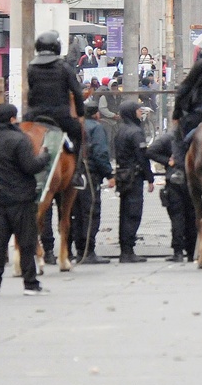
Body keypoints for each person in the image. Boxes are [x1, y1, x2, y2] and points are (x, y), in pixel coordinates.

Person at [0, 104, 51, 295]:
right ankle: (30, 284)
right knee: (27, 242)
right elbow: (30, 167)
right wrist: (45, 156)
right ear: (13, 119)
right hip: (21, 199)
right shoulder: (20, 140)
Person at [25, 31, 86, 187]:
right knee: (79, 134)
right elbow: (77, 93)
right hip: (60, 117)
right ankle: (76, 174)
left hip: (34, 115)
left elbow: (31, 93)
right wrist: (80, 114)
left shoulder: (31, 68)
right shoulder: (64, 68)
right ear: (57, 47)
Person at [71, 105, 114, 264]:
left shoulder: (75, 126)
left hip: (74, 175)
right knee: (91, 212)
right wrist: (109, 174)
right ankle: (88, 251)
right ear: (96, 114)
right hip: (90, 174)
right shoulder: (96, 128)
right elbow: (100, 152)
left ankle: (79, 250)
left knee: (76, 213)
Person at [114, 102, 155, 263]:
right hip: (134, 177)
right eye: (138, 110)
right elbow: (142, 158)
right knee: (133, 212)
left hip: (122, 175)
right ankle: (128, 251)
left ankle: (125, 248)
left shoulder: (120, 131)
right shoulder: (136, 133)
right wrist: (150, 177)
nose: (140, 113)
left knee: (124, 212)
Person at [146, 131, 195, 263]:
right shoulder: (198, 135)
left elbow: (150, 151)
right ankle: (191, 252)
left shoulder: (170, 137)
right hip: (192, 181)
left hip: (174, 180)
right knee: (192, 217)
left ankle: (178, 252)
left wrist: (168, 162)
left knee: (177, 218)